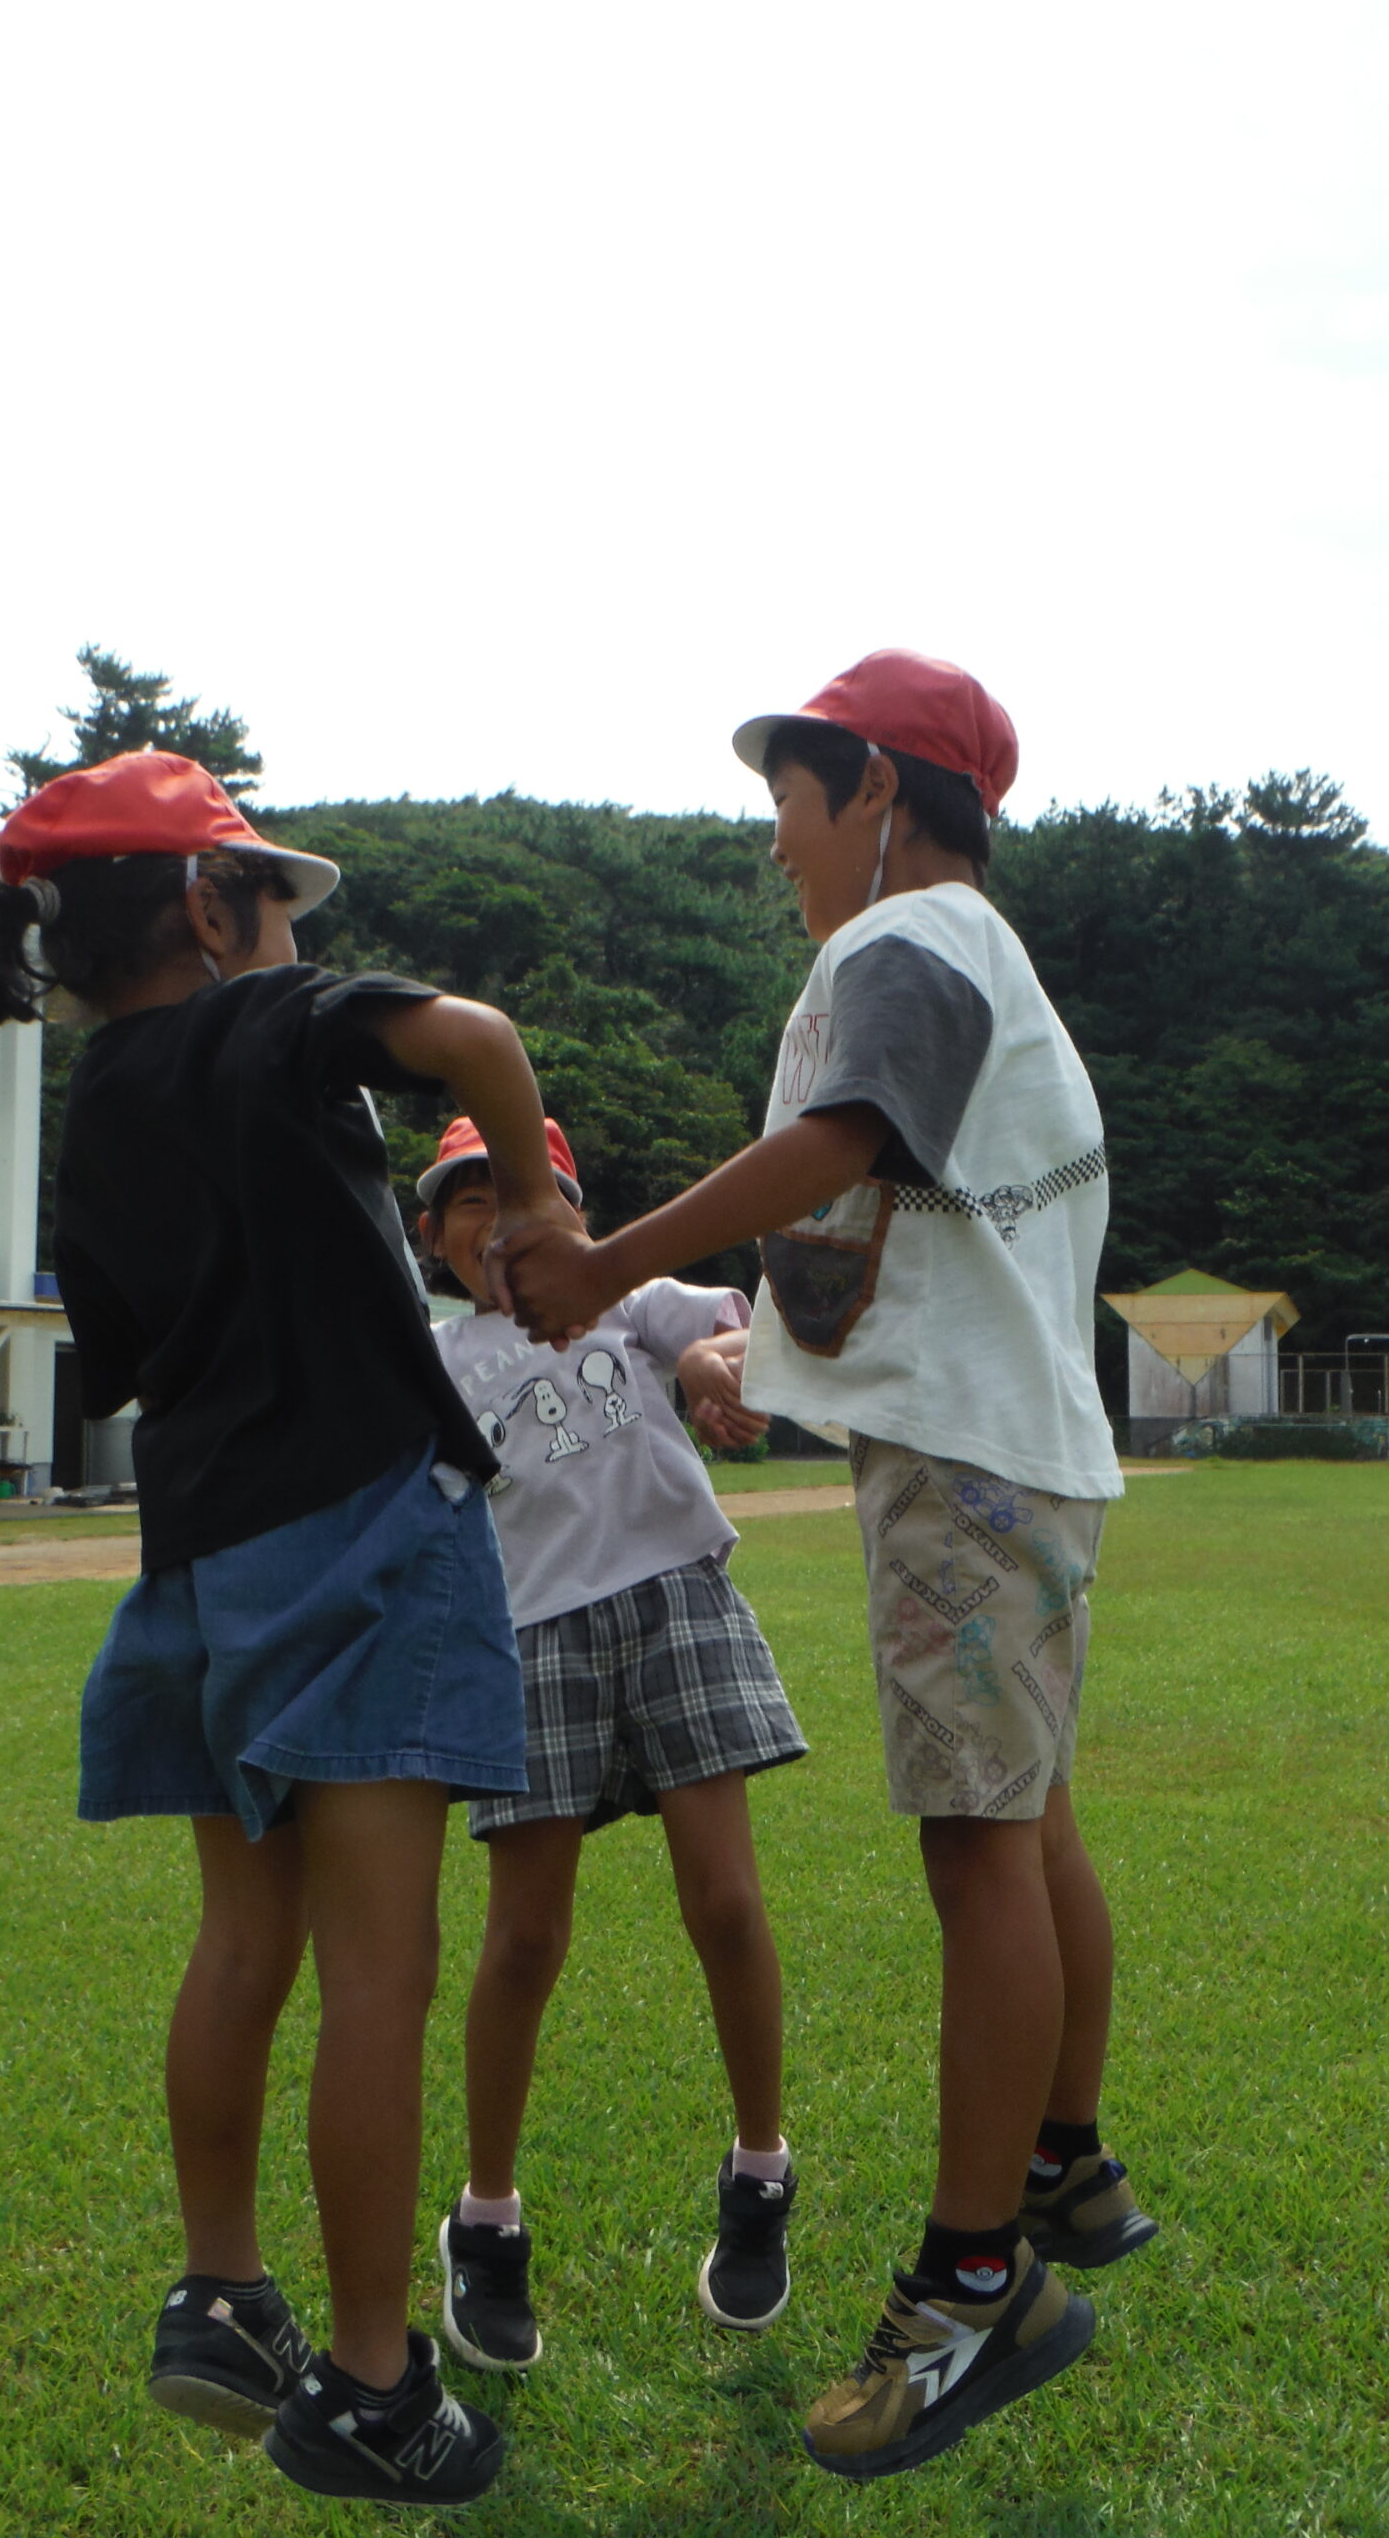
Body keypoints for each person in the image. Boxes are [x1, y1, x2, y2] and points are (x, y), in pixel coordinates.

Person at [0, 747, 583, 2512]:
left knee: (248, 1950)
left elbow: (130, 1355)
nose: (283, 934)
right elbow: (472, 1040)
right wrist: (530, 1202)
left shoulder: (105, 1109)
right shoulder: (271, 1022)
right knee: (381, 1971)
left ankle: (223, 2292)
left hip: (205, 1570)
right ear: (213, 909)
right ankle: (379, 2386)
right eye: (269, 908)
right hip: (371, 1534)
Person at [494, 650, 1156, 2482]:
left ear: (874, 789)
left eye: (790, 798)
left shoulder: (903, 950)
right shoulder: (970, 967)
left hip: (969, 1469)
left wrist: (606, 1256)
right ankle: (1062, 2163)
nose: (773, 840)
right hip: (1008, 1451)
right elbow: (890, 1235)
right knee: (1027, 1825)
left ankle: (972, 2294)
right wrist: (740, 1361)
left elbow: (835, 1155)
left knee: (977, 1845)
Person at [417, 1113, 806, 2372]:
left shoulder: (628, 1295)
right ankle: (486, 2222)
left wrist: (709, 1367)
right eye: (465, 1201)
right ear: (430, 1235)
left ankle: (759, 2175)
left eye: (521, 1194)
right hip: (530, 1640)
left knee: (729, 1903)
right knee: (525, 1937)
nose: (497, 1221)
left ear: (577, 1216)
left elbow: (721, 1333)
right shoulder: (434, 1355)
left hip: (676, 1597)